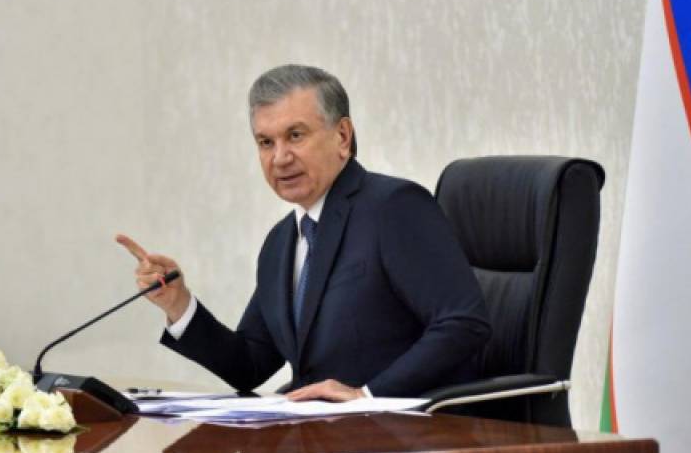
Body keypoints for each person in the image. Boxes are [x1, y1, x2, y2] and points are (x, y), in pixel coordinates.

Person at [117, 64, 490, 401]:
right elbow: (251, 364)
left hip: (405, 436)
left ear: (342, 136)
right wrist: (179, 305)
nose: (280, 157)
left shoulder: (393, 207)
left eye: (295, 135)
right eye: (266, 143)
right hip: (321, 438)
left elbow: (463, 322)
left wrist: (368, 396)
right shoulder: (282, 241)